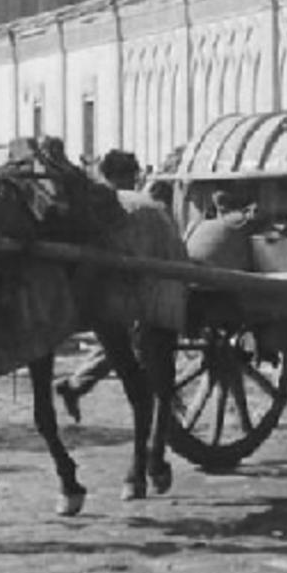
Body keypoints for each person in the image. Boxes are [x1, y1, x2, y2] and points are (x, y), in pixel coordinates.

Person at [52, 150, 186, 441]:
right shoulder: (151, 208)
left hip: (113, 296)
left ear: (103, 174)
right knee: (151, 357)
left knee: (119, 344)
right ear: (133, 177)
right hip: (154, 289)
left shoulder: (95, 206)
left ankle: (77, 385)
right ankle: (154, 445)